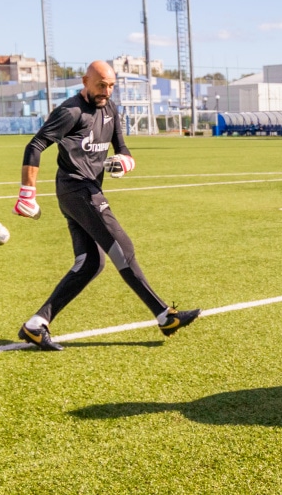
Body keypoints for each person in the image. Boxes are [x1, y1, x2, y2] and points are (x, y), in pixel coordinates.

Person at [13, 60, 200, 351]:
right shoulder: (70, 111)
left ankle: (37, 324)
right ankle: (165, 316)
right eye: (101, 85)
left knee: (90, 263)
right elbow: (35, 146)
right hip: (76, 189)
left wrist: (126, 162)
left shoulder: (111, 109)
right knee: (122, 247)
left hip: (89, 189)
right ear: (85, 81)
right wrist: (28, 191)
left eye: (111, 85)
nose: (106, 91)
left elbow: (122, 148)